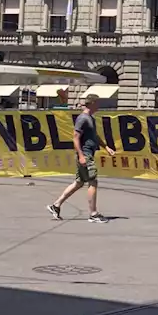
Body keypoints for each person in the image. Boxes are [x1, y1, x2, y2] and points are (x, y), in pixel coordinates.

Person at [48, 94, 117, 223]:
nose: (99, 106)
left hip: (88, 153)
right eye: (97, 103)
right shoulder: (83, 118)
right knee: (93, 182)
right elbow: (75, 137)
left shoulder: (90, 118)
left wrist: (106, 147)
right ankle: (93, 214)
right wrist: (81, 156)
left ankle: (56, 205)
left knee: (79, 182)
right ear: (91, 103)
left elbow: (94, 136)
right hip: (85, 154)